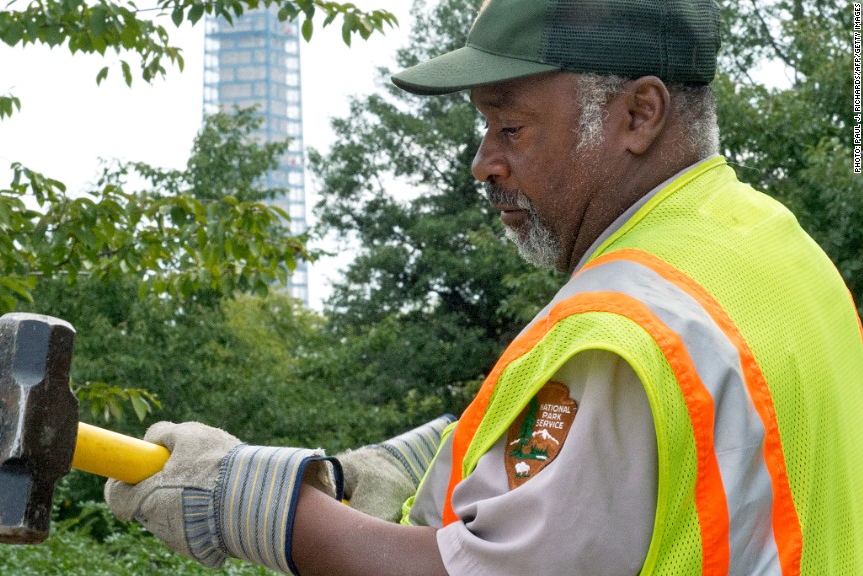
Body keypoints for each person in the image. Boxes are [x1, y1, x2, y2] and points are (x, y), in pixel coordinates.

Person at [104, 0, 863, 574]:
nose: (483, 162)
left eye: (511, 127)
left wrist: (254, 502)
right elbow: (644, 464)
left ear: (639, 113)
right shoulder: (777, 251)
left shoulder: (626, 332)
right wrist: (391, 473)